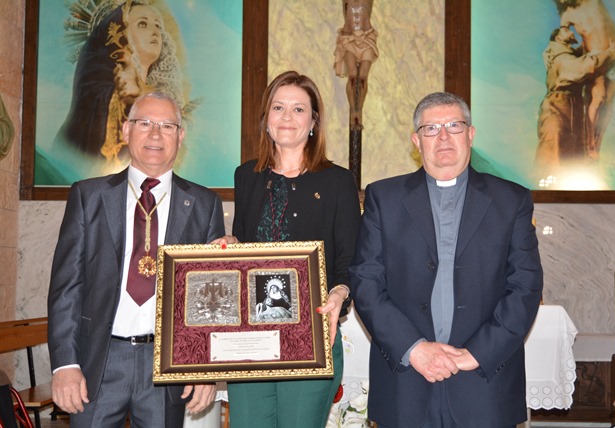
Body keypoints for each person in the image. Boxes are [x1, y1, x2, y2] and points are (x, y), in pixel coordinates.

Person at [349, 92, 544, 428]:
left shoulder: (510, 199)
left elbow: (525, 285)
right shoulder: (384, 198)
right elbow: (366, 282)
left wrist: (477, 354)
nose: (442, 137)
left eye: (453, 126)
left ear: (470, 134)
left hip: (484, 381)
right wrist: (414, 349)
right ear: (416, 140)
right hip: (407, 380)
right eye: (430, 128)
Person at [47, 91, 225, 427]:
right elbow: (66, 287)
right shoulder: (89, 196)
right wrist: (64, 365)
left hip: (166, 367)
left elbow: (210, 302)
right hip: (97, 362)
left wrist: (205, 368)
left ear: (180, 136)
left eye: (167, 126)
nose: (156, 134)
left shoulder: (204, 204)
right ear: (126, 130)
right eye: (145, 123)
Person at [227, 70, 362, 427]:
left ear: (314, 122)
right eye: (278, 107)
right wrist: (228, 247)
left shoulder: (337, 181)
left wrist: (339, 295)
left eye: (299, 110)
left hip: (311, 335)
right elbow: (244, 247)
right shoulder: (247, 176)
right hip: (250, 341)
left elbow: (351, 261)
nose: (287, 117)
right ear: (265, 119)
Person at [55, 0, 187, 163]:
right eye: (143, 24)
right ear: (121, 34)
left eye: (158, 26)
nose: (155, 32)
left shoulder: (163, 99)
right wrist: (125, 98)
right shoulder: (105, 93)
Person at [535, 26, 615, 169]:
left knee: (571, 153)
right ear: (558, 38)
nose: (571, 31)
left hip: (569, 106)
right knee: (553, 150)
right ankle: (546, 187)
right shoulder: (561, 58)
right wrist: (611, 52)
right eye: (566, 30)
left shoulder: (565, 55)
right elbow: (586, 66)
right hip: (557, 107)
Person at [555, 0, 615, 159]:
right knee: (597, 99)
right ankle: (589, 144)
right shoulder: (567, 15)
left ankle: (598, 142)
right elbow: (562, 41)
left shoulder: (593, 1)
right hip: (597, 58)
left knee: (608, 101)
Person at [333, 0, 378, 130]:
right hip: (350, 38)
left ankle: (359, 109)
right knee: (352, 77)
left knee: (363, 78)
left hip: (367, 38)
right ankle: (354, 112)